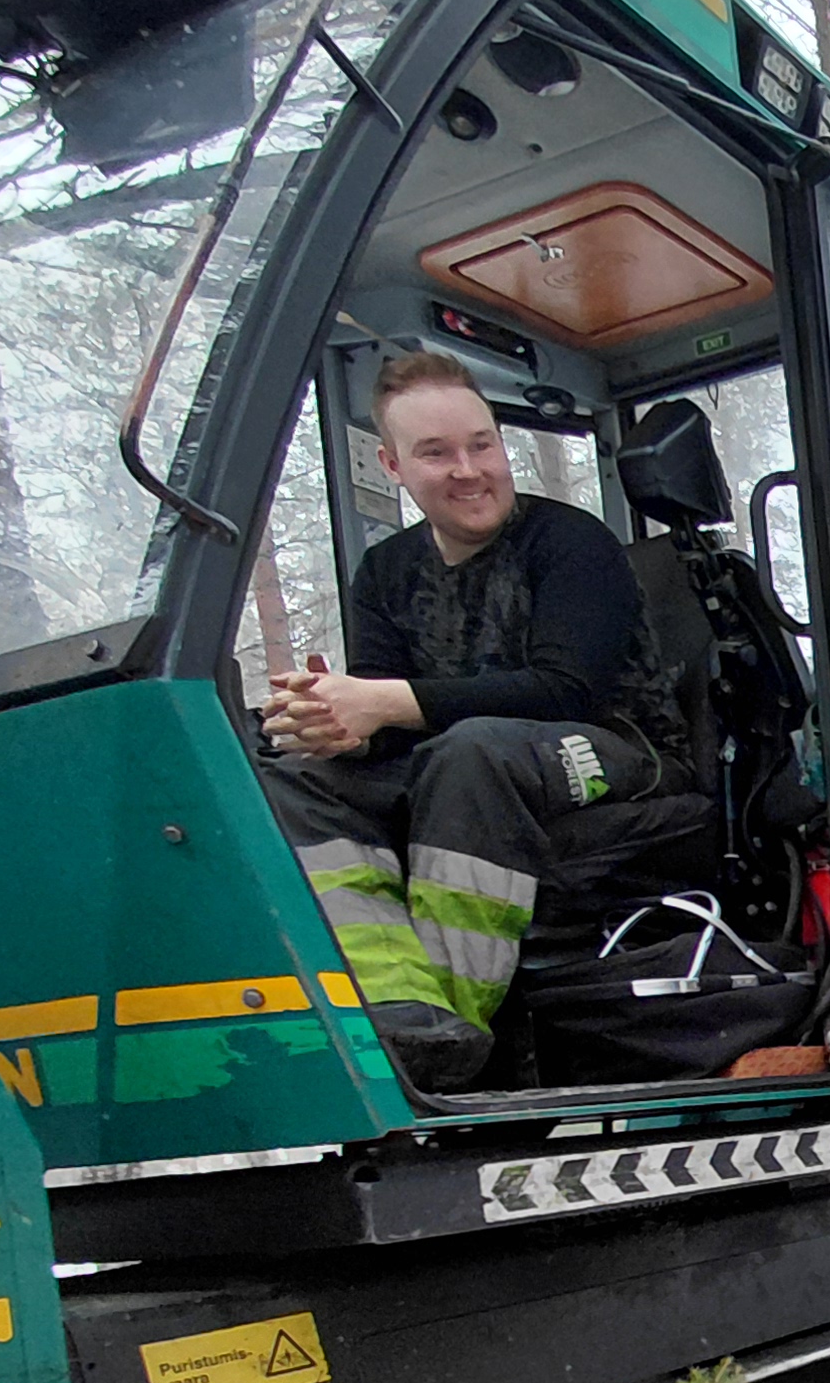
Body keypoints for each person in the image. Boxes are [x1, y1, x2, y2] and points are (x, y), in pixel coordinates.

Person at [259, 349, 688, 1092]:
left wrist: (386, 701)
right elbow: (392, 726)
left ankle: (461, 1035)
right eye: (436, 453)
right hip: (464, 756)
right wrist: (338, 724)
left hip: (622, 751)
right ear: (394, 467)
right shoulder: (385, 572)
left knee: (472, 754)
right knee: (295, 776)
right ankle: (401, 1007)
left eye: (480, 444)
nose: (468, 469)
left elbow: (565, 693)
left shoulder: (569, 543)